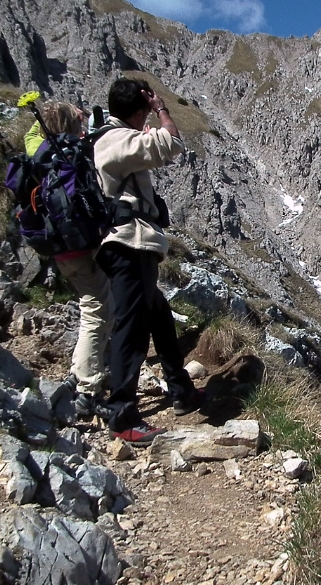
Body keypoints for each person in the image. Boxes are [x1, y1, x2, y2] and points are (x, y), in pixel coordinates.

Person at [94, 77, 204, 444]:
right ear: (139, 111)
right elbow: (169, 142)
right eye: (145, 112)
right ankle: (122, 414)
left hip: (129, 245)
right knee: (131, 327)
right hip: (128, 245)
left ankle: (181, 392)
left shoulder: (111, 139)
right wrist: (162, 109)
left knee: (157, 313)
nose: (148, 119)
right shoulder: (115, 140)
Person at [29, 101, 113, 414]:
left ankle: (79, 373)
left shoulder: (39, 153)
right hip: (83, 247)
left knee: (93, 308)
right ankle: (89, 391)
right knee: (96, 312)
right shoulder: (72, 153)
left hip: (58, 249)